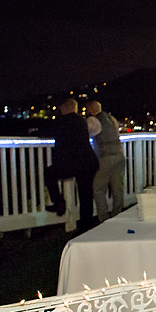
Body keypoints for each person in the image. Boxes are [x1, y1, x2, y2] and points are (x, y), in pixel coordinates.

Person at [44, 98, 99, 232]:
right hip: (88, 162)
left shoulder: (62, 121)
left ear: (65, 108)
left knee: (49, 173)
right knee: (86, 195)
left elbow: (45, 132)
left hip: (73, 163)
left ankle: (59, 203)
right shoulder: (82, 121)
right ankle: (85, 226)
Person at [86, 100, 126, 222]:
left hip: (106, 157)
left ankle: (103, 219)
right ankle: (117, 215)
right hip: (119, 155)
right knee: (117, 188)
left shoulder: (92, 120)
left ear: (91, 110)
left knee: (98, 188)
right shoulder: (111, 118)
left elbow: (87, 134)